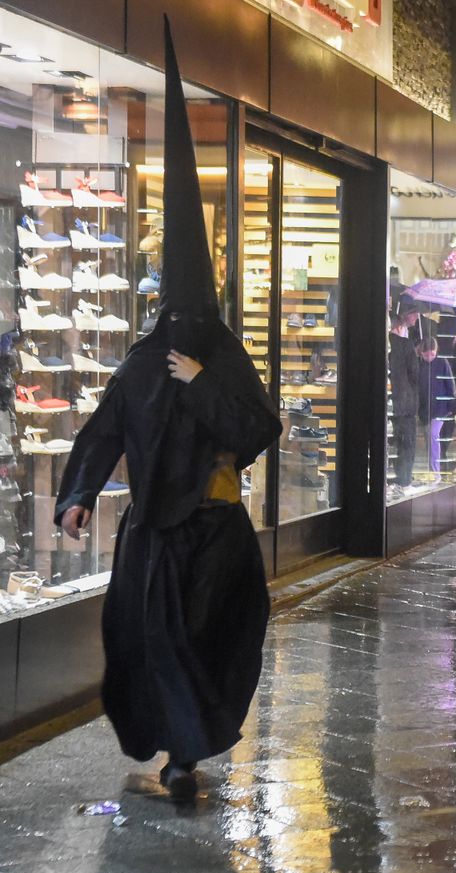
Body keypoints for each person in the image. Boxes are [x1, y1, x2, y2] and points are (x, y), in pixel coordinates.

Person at [53, 20, 281, 802]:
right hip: (152, 537)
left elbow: (257, 428)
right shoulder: (142, 366)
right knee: (147, 644)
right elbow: (104, 430)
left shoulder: (219, 362)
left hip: (213, 535)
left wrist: (201, 383)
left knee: (204, 646)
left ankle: (186, 754)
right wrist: (78, 494)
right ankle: (175, 749)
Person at [388, 305, 421, 489]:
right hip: (405, 404)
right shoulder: (406, 345)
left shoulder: (385, 346)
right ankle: (403, 480)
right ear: (400, 327)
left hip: (390, 403)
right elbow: (415, 375)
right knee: (406, 447)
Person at [417, 334, 456, 474]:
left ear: (436, 352)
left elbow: (450, 384)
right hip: (425, 408)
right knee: (430, 437)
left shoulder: (442, 363)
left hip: (440, 408)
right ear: (421, 353)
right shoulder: (418, 364)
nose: (429, 358)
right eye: (426, 355)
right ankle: (432, 469)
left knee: (433, 435)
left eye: (432, 355)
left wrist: (451, 405)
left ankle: (435, 471)